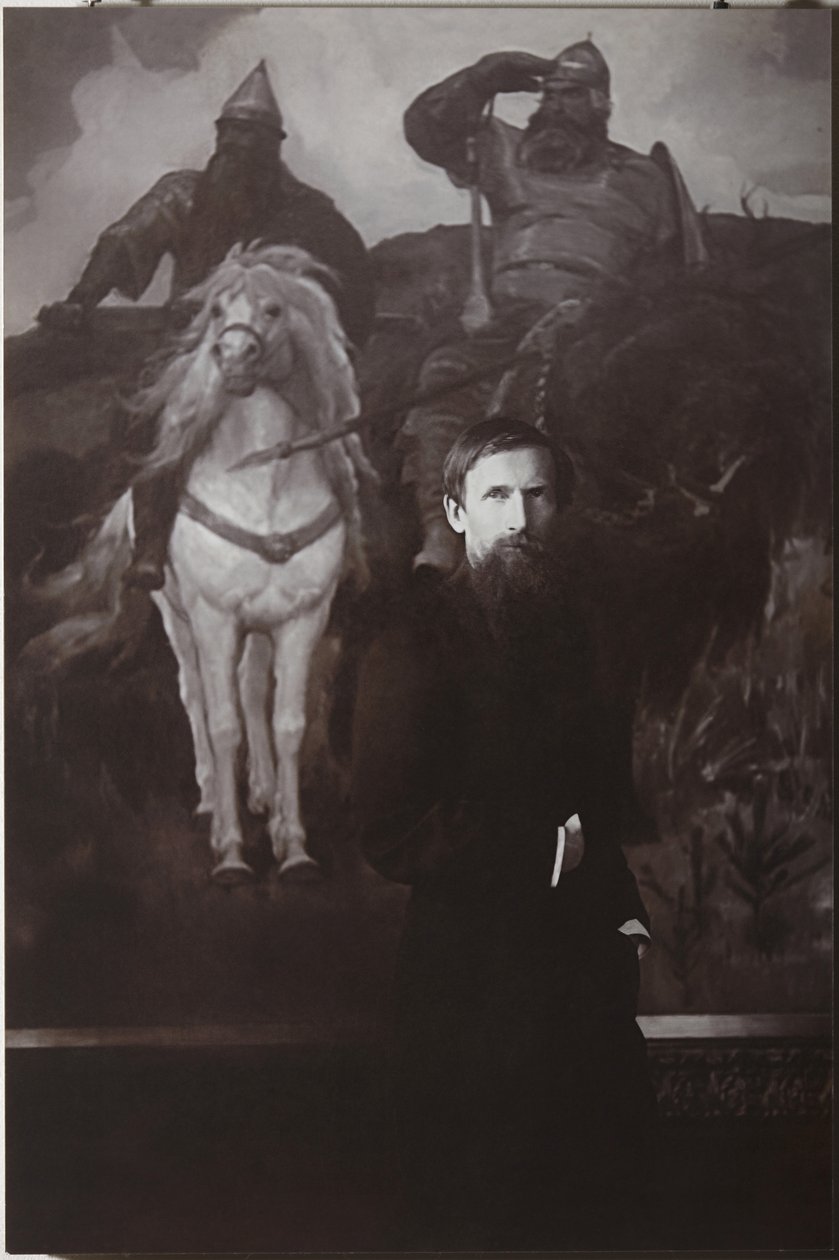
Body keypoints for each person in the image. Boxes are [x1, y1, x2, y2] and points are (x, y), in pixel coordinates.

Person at [351, 418, 657, 1250]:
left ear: (558, 506)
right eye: (495, 496)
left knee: (601, 1213)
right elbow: (390, 828)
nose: (518, 517)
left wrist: (623, 913)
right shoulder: (409, 642)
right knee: (483, 1216)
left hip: (587, 991)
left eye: (536, 494)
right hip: (471, 997)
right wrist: (543, 851)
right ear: (456, 513)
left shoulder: (580, 632)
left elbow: (594, 798)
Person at [39, 60, 374, 597]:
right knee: (146, 410)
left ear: (274, 147)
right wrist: (81, 301)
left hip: (280, 351)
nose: (235, 148)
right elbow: (126, 240)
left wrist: (338, 345)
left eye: (249, 139)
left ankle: (358, 546)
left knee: (342, 426)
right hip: (192, 343)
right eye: (229, 136)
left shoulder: (310, 213)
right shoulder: (183, 195)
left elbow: (349, 276)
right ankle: (146, 543)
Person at [401, 39, 707, 572]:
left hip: (606, 324)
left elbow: (673, 275)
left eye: (572, 95)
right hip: (509, 321)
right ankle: (442, 533)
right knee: (444, 375)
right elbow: (428, 131)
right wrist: (481, 78)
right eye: (549, 94)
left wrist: (621, 313)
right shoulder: (502, 149)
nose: (555, 105)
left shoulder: (645, 178)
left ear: (602, 104)